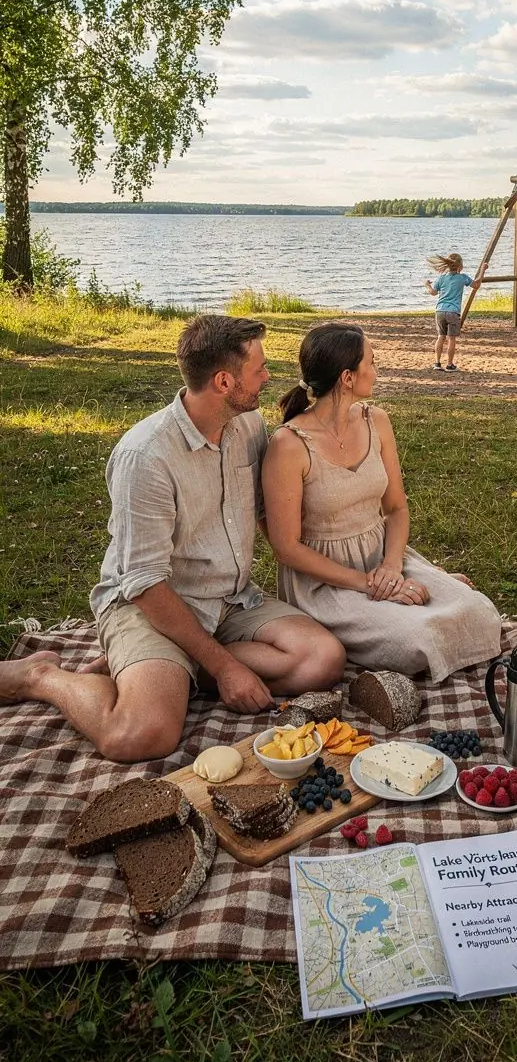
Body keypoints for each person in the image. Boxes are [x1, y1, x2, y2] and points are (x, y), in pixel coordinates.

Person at [0, 315, 345, 762]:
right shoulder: (145, 457)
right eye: (259, 368)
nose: (267, 377)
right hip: (153, 607)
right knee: (140, 736)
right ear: (224, 381)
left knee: (323, 660)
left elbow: (268, 515)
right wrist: (226, 667)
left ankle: (167, 670)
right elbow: (143, 584)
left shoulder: (248, 425)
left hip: (230, 600)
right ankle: (39, 676)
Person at [263, 322, 502, 683]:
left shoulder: (376, 421)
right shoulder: (289, 445)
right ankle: (420, 596)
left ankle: (429, 584)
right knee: (418, 638)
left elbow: (396, 508)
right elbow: (287, 548)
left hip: (383, 558)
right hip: (324, 582)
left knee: (481, 614)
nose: (376, 371)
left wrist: (391, 568)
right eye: (371, 362)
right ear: (347, 377)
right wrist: (367, 584)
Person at [424, 252, 483, 371]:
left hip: (440, 311)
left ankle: (437, 363)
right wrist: (482, 270)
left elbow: (433, 292)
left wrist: (427, 285)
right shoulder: (462, 278)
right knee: (451, 338)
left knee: (441, 336)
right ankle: (449, 364)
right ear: (460, 266)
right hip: (453, 312)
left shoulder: (441, 278)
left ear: (448, 265)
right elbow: (476, 285)